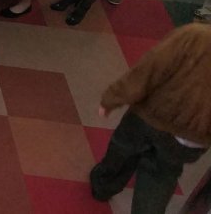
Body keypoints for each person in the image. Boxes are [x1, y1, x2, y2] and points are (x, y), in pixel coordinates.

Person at [87, 23, 211, 211]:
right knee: (161, 177)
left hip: (150, 116)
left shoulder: (196, 36)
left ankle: (103, 186)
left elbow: (151, 66)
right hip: (192, 139)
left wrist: (114, 97)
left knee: (122, 150)